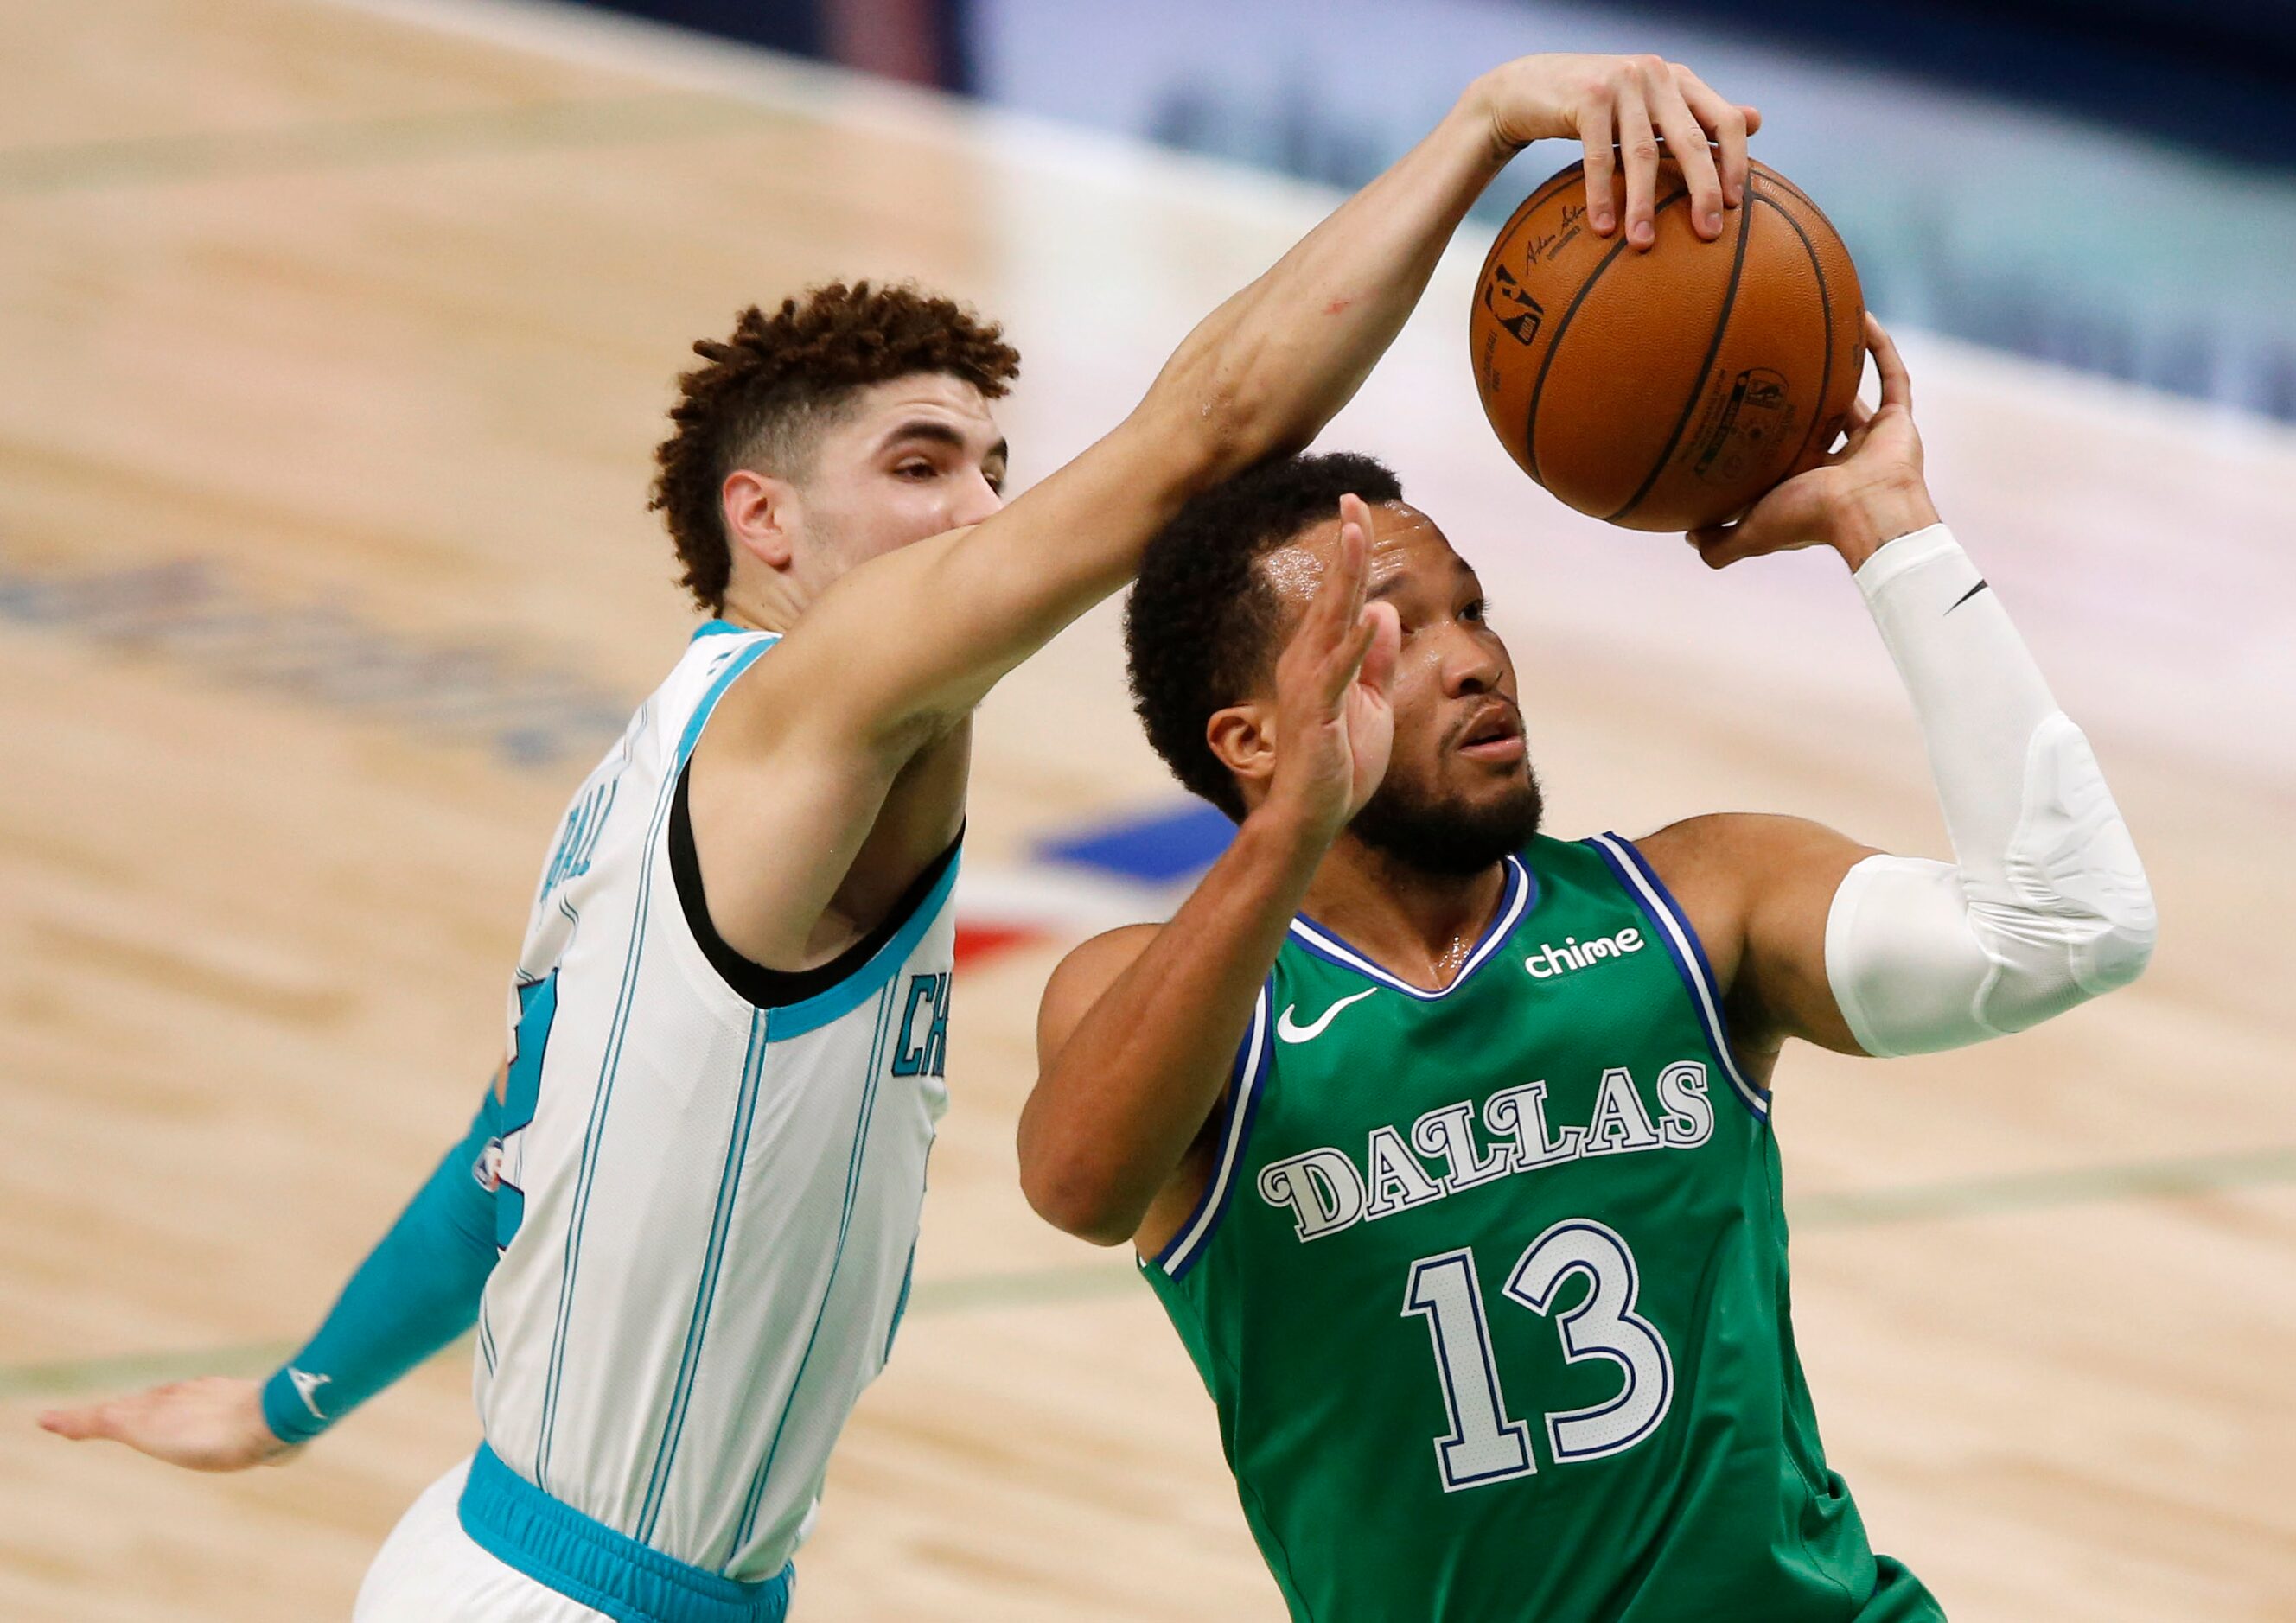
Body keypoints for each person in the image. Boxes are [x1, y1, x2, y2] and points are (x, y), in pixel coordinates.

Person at [39, 50, 1763, 1623]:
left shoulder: (652, 783)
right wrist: (1471, 135)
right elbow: (1206, 444)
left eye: (993, 471)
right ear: (763, 522)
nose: (982, 518)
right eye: (923, 468)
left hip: (527, 1562)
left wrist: (285, 1403)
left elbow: (508, 1146)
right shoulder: (808, 705)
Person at [1020, 317, 2155, 1621]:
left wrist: (1887, 523)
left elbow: (2071, 928)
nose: (1471, 656)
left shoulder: (1696, 901)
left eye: (1473, 610)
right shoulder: (1166, 996)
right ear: (1250, 737)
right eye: (1387, 635)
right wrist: (1292, 827)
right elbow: (1080, 1184)